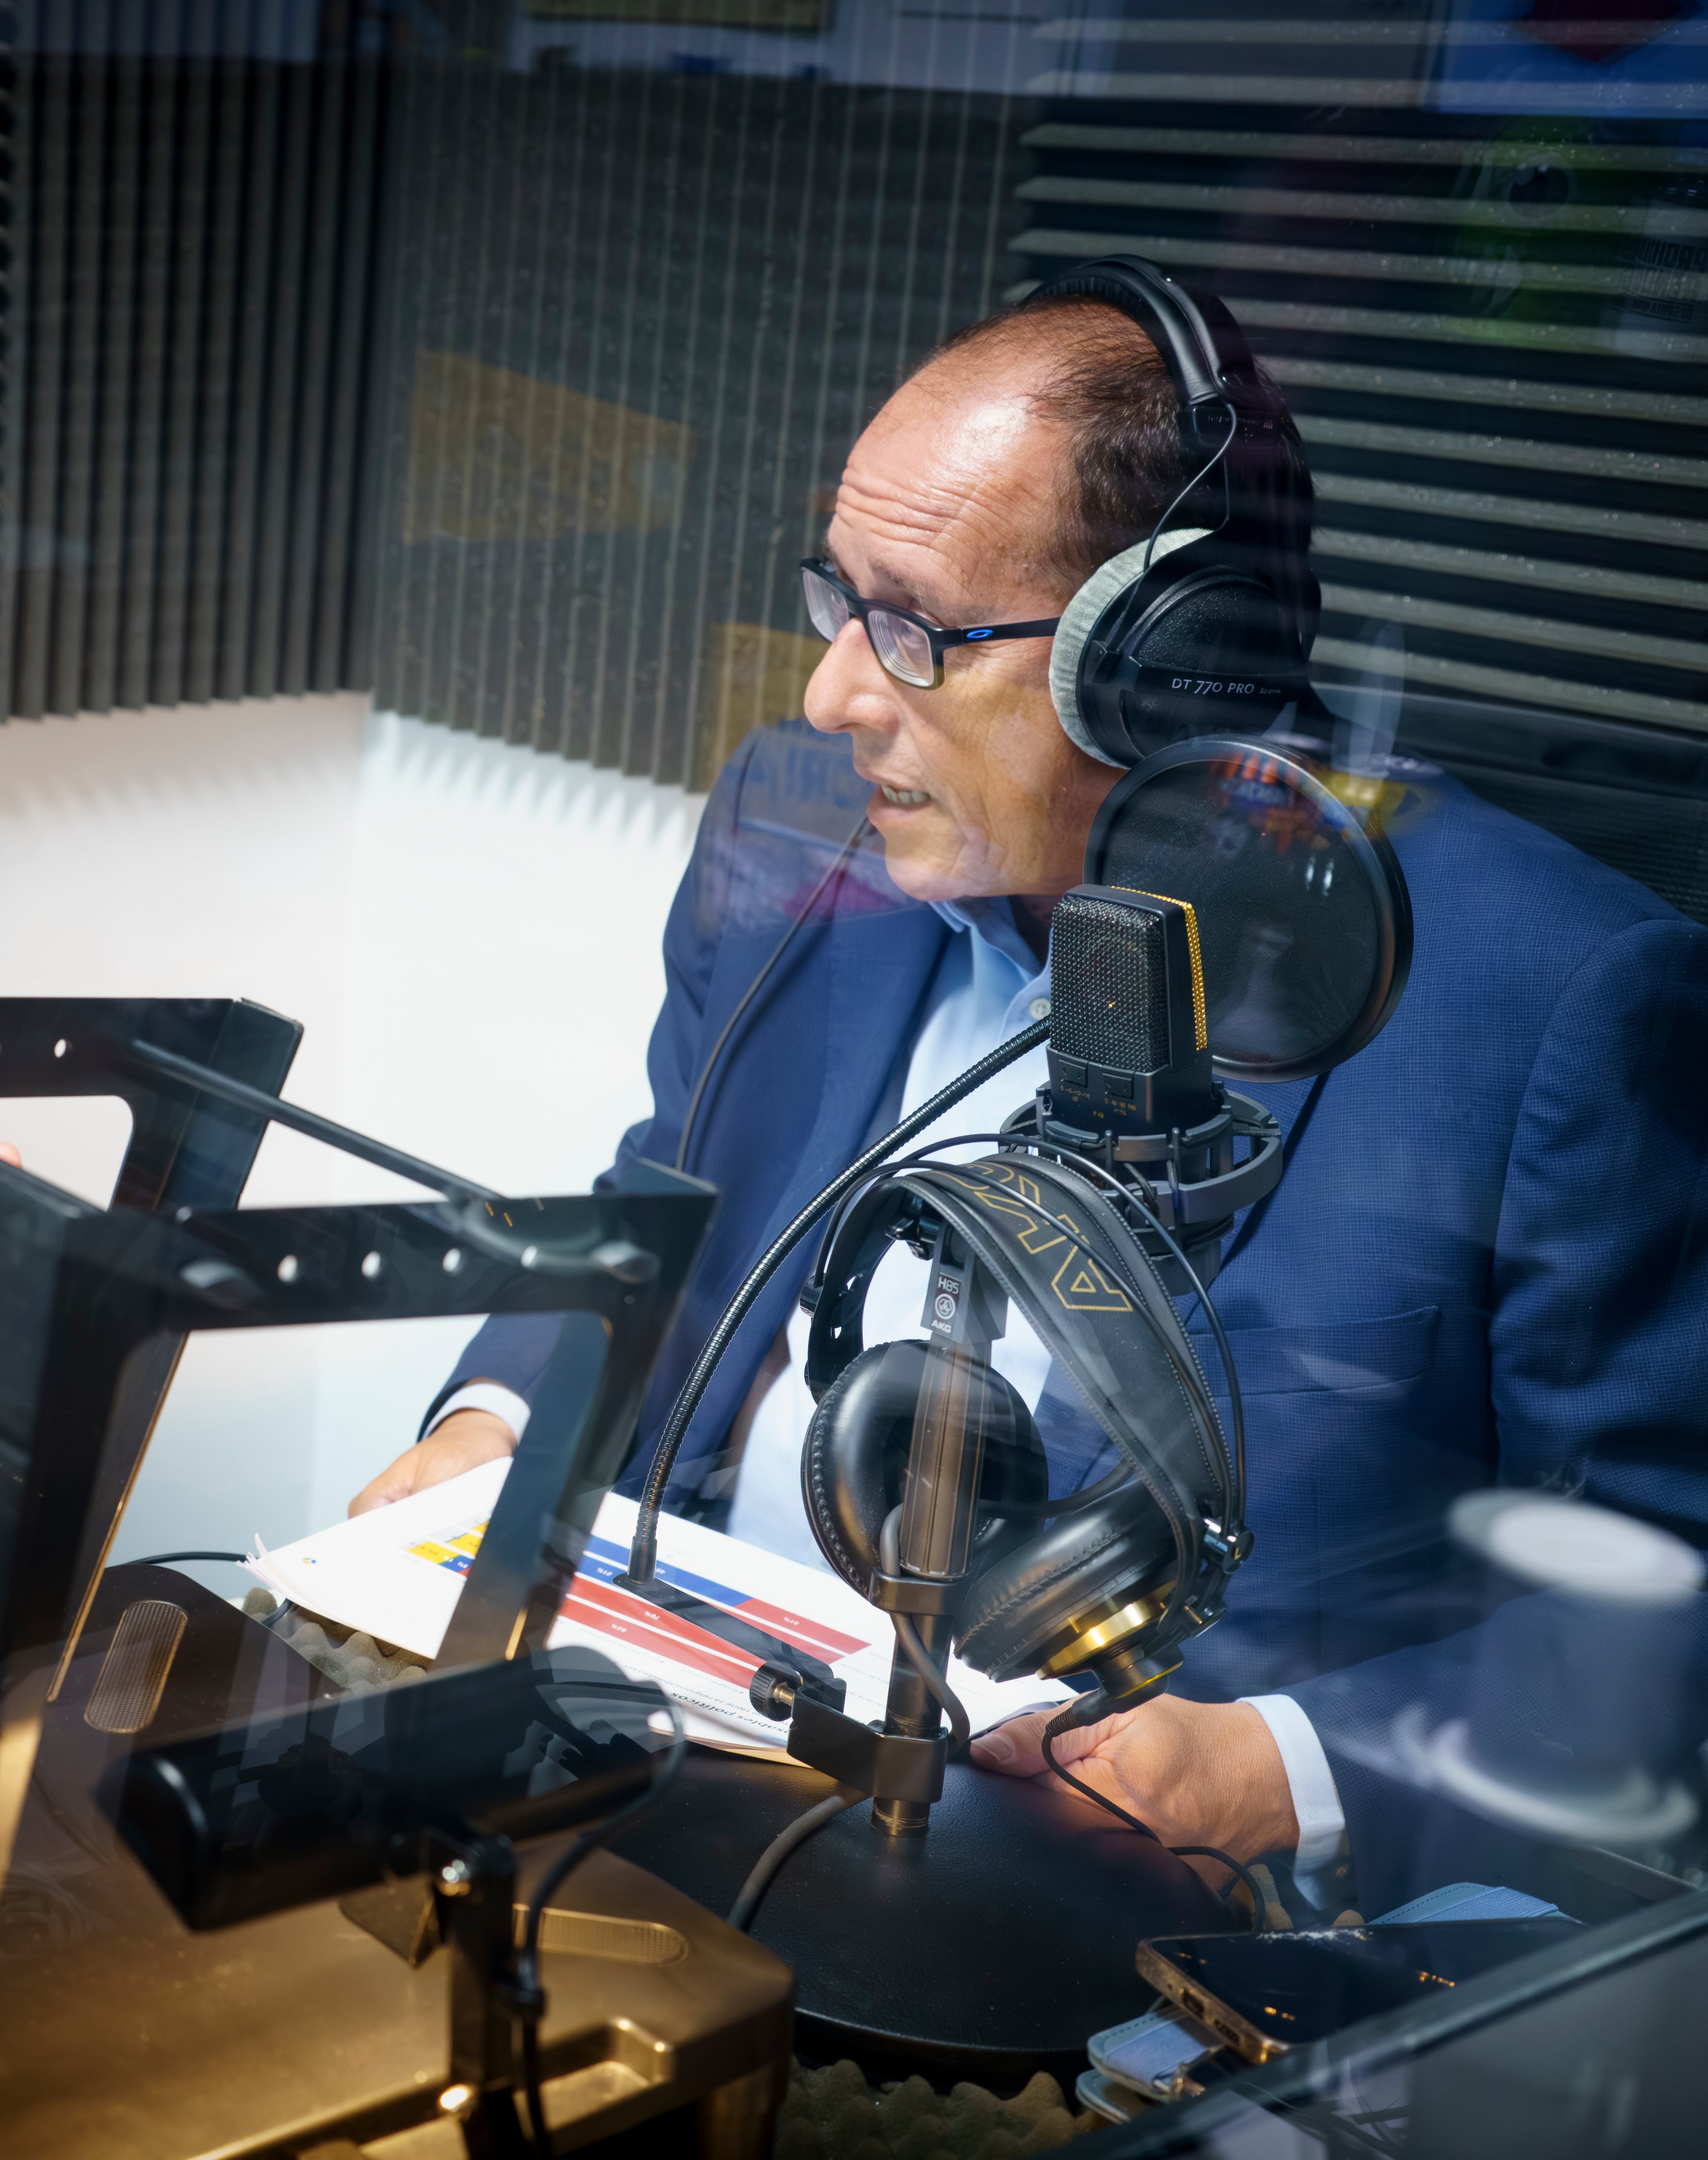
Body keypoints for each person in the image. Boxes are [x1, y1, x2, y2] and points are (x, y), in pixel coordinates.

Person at [355, 282, 1708, 1916]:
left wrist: (1283, 1767)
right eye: (833, 602)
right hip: (670, 1761)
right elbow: (674, 1188)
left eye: (913, 628)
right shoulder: (797, 822)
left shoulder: (1551, 994)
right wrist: (500, 1426)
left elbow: (1658, 1601)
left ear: (1159, 664)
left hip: (1118, 1914)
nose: (832, 698)